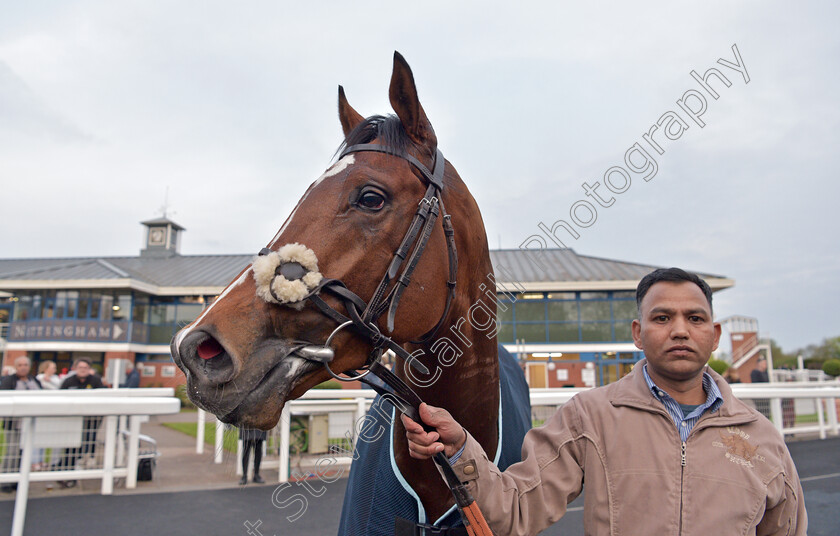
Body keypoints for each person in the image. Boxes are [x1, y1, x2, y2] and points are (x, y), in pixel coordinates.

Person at [403, 267, 807, 535]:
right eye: (662, 318)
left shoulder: (763, 439)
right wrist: (459, 451)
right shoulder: (589, 417)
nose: (680, 330)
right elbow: (513, 509)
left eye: (695, 319)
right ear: (638, 332)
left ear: (715, 335)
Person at [56, 358, 105, 487]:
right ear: (75, 368)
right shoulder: (68, 382)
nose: (83, 370)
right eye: (80, 367)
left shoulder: (95, 381)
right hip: (72, 420)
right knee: (70, 446)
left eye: (85, 367)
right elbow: (60, 398)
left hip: (90, 421)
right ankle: (65, 471)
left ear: (89, 369)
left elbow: (103, 397)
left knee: (85, 445)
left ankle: (65, 469)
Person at [0, 357, 42, 492]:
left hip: (30, 425)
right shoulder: (9, 381)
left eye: (25, 365)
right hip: (14, 424)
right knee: (11, 453)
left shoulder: (34, 380)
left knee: (24, 453)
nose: (23, 367)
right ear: (16, 366)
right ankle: (6, 481)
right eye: (20, 365)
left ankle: (19, 481)